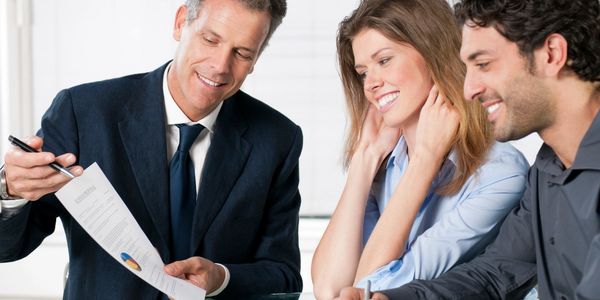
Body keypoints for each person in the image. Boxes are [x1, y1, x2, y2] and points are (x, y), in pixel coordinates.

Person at [0, 0, 303, 298]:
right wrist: (9, 192)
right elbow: (8, 248)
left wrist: (221, 278)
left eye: (242, 53)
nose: (220, 66)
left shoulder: (277, 139)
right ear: (181, 22)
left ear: (257, 57)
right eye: (210, 39)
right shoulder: (83, 113)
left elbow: (284, 275)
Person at [335, 0, 600, 299]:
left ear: (551, 55)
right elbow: (495, 273)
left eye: (484, 64)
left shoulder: (505, 171)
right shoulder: (547, 170)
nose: (468, 89)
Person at [310, 0, 530, 299]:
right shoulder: (385, 162)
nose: (371, 84)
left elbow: (372, 288)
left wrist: (425, 162)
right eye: (362, 72)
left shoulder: (499, 174)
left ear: (434, 54)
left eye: (384, 60)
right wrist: (364, 158)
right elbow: (329, 289)